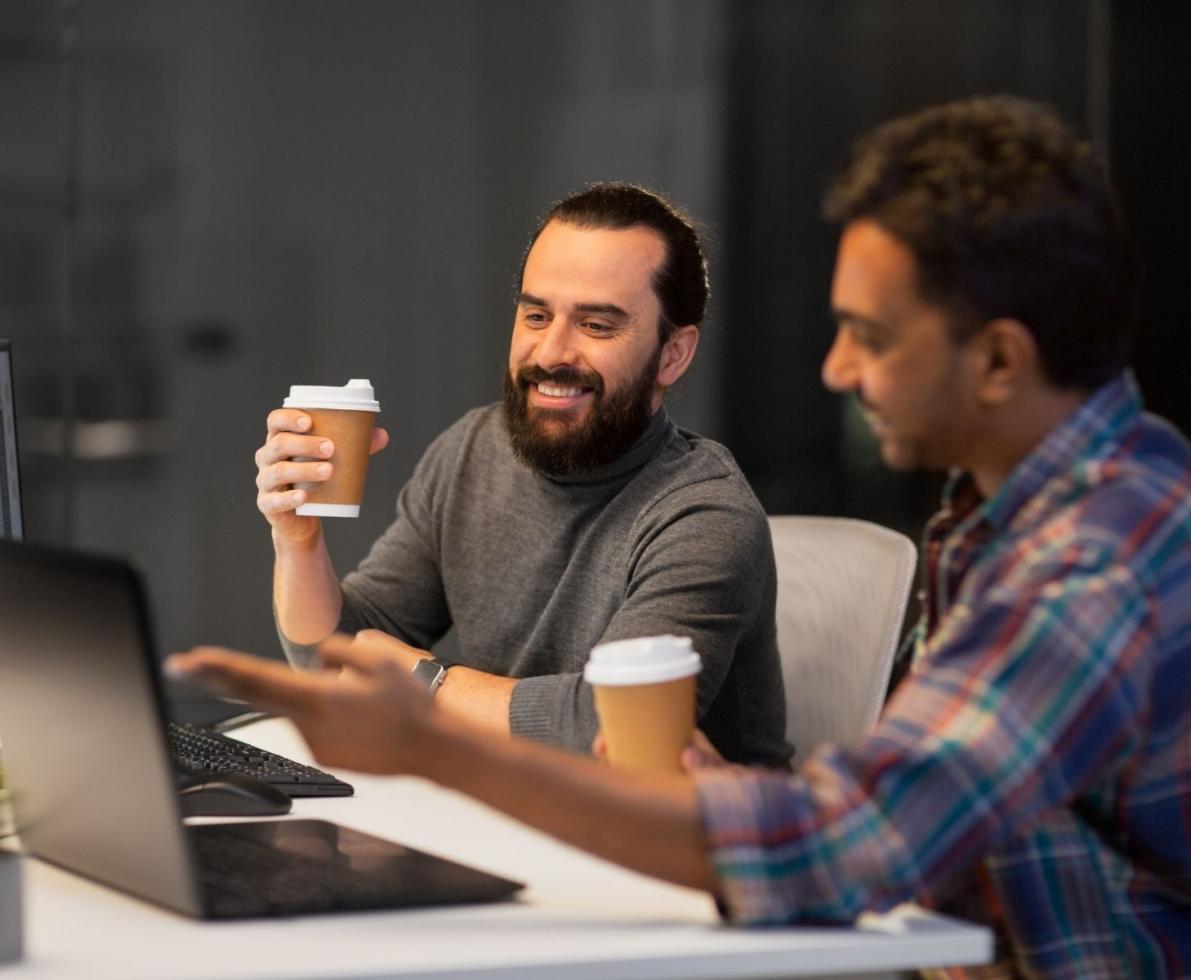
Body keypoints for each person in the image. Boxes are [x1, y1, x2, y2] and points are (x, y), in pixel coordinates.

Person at [173, 97, 1191, 977]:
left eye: (871, 335)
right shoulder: (1007, 517)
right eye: (535, 312)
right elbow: (916, 811)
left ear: (1002, 360)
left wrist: (436, 734)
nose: (835, 369)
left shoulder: (1088, 566)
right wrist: (298, 541)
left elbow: (849, 842)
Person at [254, 181, 791, 767]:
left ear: (672, 355)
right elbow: (335, 658)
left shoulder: (704, 514)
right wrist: (297, 539)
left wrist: (420, 683)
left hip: (684, 842)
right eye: (536, 315)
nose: (550, 352)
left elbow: (608, 728)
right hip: (519, 809)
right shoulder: (471, 452)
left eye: (597, 325)